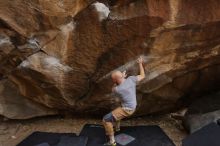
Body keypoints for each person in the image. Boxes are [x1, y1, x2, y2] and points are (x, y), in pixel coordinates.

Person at [103, 56, 146, 146]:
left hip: (127, 109)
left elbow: (113, 87)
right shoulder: (131, 79)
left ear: (115, 80)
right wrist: (140, 63)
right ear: (123, 75)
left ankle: (112, 142)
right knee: (117, 109)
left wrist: (119, 79)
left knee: (106, 119)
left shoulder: (117, 89)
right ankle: (117, 128)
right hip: (132, 107)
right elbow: (143, 75)